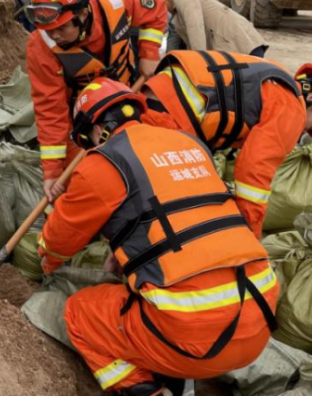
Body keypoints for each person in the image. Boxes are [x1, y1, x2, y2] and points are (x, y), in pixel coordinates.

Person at [38, 79, 278, 394]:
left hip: (194, 337)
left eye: (87, 140)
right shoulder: (188, 145)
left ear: (95, 129)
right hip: (259, 318)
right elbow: (182, 217)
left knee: (81, 314)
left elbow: (61, 239)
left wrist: (46, 260)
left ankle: (148, 389)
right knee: (159, 297)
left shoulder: (105, 163)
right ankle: (179, 379)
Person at [141, 52, 312, 238]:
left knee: (142, 187)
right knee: (173, 208)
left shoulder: (276, 79)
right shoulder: (292, 110)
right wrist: (250, 234)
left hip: (157, 95)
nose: (305, 131)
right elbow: (253, 173)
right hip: (171, 116)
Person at [24, 0, 167, 201]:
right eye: (48, 30)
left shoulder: (117, 1)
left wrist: (149, 54)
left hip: (130, 97)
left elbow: (157, 9)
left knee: (149, 163)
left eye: (60, 28)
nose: (54, 36)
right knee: (86, 184)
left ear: (82, 13)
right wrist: (51, 170)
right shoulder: (42, 46)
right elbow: (50, 110)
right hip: (84, 121)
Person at [157, 0, 267, 57]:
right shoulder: (179, 14)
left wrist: (198, 63)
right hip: (240, 49)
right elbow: (176, 40)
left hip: (243, 47)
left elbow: (195, 27)